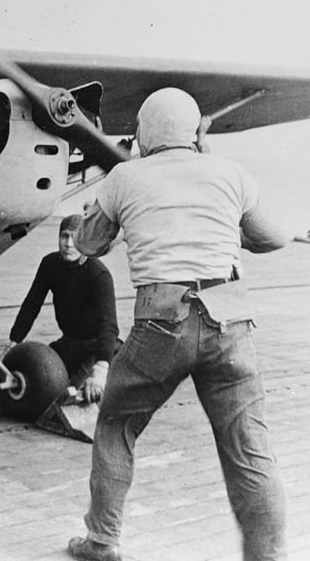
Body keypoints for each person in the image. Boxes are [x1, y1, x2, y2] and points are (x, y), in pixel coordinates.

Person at [67, 88, 292, 561]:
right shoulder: (229, 172)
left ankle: (102, 541)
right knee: (249, 445)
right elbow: (273, 237)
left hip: (160, 321)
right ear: (195, 132)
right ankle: (268, 555)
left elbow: (88, 244)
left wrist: (124, 173)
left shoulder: (126, 175)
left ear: (144, 134)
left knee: (116, 426)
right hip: (230, 317)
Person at [3, 214, 118, 402]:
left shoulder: (99, 274)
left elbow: (109, 327)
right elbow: (32, 304)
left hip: (97, 347)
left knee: (67, 393)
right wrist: (13, 342)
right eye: (64, 236)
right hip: (69, 343)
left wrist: (100, 371)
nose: (68, 244)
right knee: (36, 376)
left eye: (76, 237)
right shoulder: (50, 264)